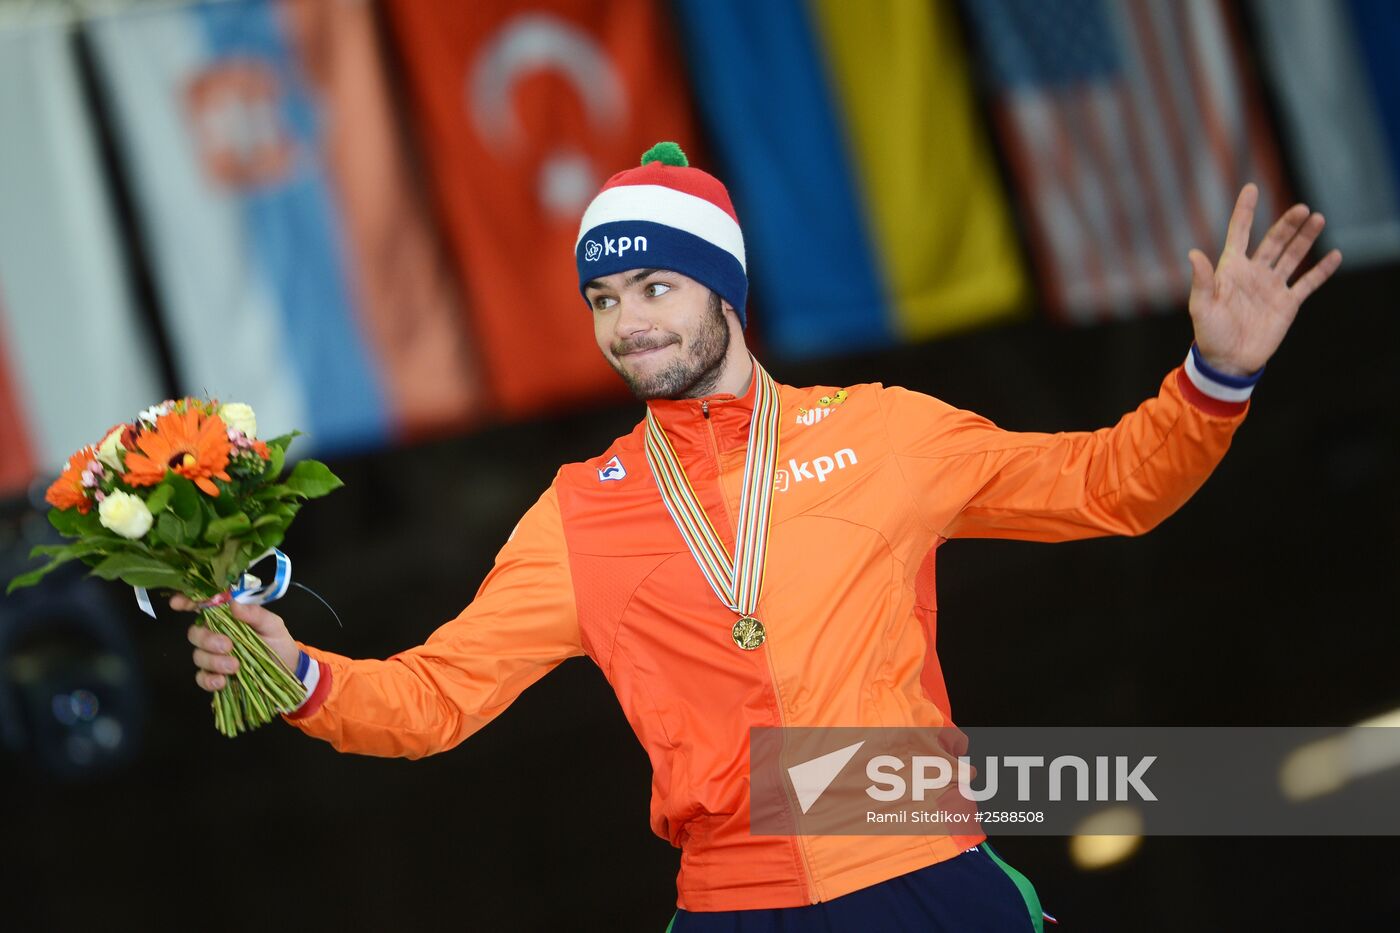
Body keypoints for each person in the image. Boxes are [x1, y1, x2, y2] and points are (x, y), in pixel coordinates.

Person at [179, 142, 1341, 931]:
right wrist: (301, 676)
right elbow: (436, 700)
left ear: (721, 289)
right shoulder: (581, 510)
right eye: (602, 301)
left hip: (915, 868)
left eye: (653, 290)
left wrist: (1213, 376)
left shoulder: (883, 434)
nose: (626, 326)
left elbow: (1106, 486)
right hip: (738, 902)